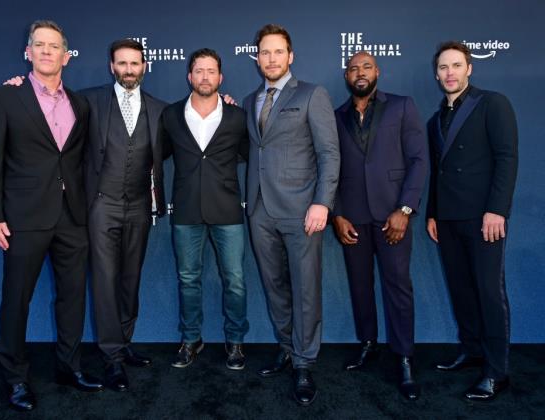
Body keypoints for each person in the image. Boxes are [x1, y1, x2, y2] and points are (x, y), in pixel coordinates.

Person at [0, 20, 103, 411]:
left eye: (54, 46)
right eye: (40, 45)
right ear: (28, 52)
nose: (47, 51)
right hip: (23, 216)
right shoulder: (3, 98)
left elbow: (80, 160)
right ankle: (15, 379)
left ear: (66, 56)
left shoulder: (80, 104)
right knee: (17, 300)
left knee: (71, 298)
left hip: (72, 217)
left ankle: (69, 367)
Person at [243, 24, 340, 406]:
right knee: (274, 286)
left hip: (303, 210)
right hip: (260, 209)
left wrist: (322, 203)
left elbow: (329, 154)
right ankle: (286, 346)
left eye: (277, 52)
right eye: (264, 53)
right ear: (257, 58)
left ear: (290, 56)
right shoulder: (252, 99)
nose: (271, 59)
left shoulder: (313, 94)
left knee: (305, 289)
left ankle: (304, 363)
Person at [332, 52, 428, 400]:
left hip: (393, 217)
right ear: (346, 75)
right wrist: (337, 214)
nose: (360, 72)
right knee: (360, 286)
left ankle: (404, 357)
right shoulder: (336, 116)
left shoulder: (402, 106)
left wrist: (405, 209)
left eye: (366, 67)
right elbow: (331, 169)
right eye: (354, 68)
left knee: (398, 287)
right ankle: (368, 344)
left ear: (378, 72)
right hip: (352, 218)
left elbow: (419, 160)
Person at [426, 41, 518, 401]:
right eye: (444, 67)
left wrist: (497, 210)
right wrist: (433, 212)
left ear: (469, 69)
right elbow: (438, 171)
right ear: (436, 74)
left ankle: (497, 372)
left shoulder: (491, 103)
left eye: (456, 66)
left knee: (489, 293)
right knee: (462, 289)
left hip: (484, 218)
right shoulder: (436, 118)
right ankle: (472, 350)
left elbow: (507, 158)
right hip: (448, 218)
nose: (450, 73)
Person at [81, 39, 166, 392]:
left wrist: (226, 104)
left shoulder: (160, 109)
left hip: (140, 206)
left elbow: (195, 134)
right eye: (122, 63)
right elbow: (47, 114)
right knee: (104, 280)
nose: (129, 69)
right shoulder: (87, 101)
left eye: (135, 63)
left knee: (131, 278)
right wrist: (18, 87)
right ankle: (112, 357)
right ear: (111, 67)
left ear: (144, 66)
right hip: (102, 204)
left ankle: (124, 340)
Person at [158, 48, 250, 370]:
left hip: (227, 211)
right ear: (190, 76)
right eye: (199, 71)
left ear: (220, 77)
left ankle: (235, 341)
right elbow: (158, 156)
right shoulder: (170, 116)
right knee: (188, 279)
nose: (205, 77)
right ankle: (191, 339)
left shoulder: (238, 117)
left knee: (235, 280)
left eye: (211, 71)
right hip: (185, 211)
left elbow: (249, 156)